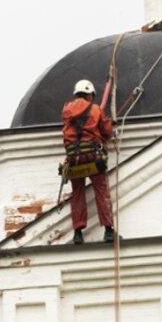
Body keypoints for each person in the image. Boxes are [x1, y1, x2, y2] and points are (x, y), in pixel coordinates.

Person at [62, 79, 116, 244]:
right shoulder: (96, 109)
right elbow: (106, 132)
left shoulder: (66, 109)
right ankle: (108, 231)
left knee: (77, 194)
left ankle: (78, 233)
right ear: (90, 94)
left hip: (74, 159)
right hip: (92, 157)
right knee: (101, 191)